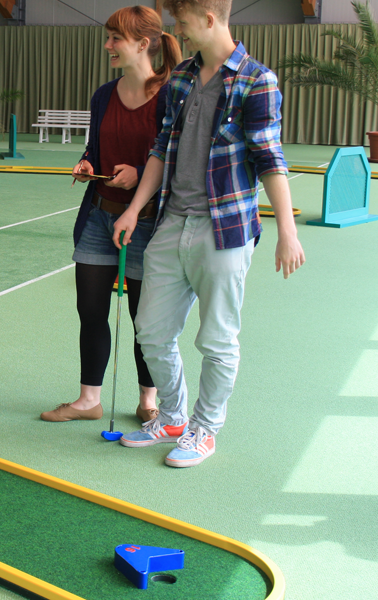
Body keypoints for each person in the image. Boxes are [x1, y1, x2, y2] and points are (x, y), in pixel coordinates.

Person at [112, 0, 305, 466]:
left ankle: (204, 429)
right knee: (151, 332)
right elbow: (161, 149)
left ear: (210, 19)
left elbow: (270, 158)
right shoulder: (180, 79)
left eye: (182, 21)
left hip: (226, 230)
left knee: (217, 339)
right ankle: (174, 416)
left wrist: (287, 231)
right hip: (170, 223)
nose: (176, 30)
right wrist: (135, 210)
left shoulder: (258, 80)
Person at [41, 6, 181, 423]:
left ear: (143, 43)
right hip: (99, 218)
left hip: (148, 222)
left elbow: (174, 161)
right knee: (90, 310)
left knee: (144, 320)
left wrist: (140, 175)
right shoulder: (103, 95)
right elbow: (95, 148)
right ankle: (89, 400)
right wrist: (87, 164)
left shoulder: (171, 95)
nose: (108, 46)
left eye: (115, 39)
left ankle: (148, 401)